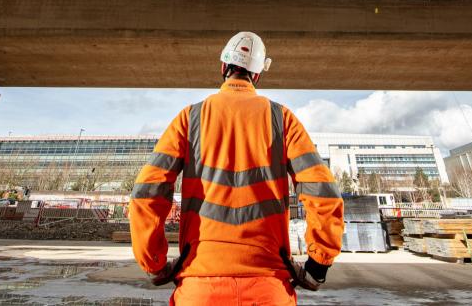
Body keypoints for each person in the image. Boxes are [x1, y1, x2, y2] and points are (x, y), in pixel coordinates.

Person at [129, 31, 344, 305]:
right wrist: (318, 266)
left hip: (199, 288)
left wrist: (155, 263)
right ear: (257, 75)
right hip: (268, 288)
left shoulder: (189, 118)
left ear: (223, 67)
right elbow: (323, 193)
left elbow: (146, 194)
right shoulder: (282, 119)